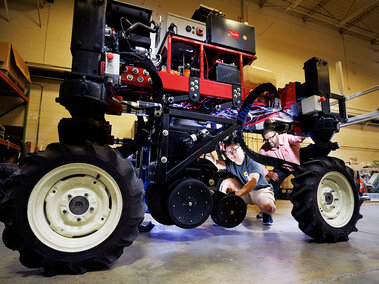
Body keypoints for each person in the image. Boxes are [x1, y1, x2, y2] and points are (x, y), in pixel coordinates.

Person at [206, 138, 276, 225]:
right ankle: (222, 210)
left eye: (234, 150)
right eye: (228, 152)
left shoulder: (252, 160)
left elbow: (253, 182)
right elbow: (217, 163)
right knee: (227, 182)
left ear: (241, 148)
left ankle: (266, 214)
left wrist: (236, 195)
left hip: (260, 190)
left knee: (269, 208)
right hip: (244, 191)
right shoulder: (231, 163)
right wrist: (208, 153)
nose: (231, 154)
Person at [259, 130, 305, 200]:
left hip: (297, 166)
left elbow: (297, 138)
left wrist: (305, 132)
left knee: (304, 184)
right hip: (281, 168)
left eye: (271, 138)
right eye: (266, 140)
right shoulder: (264, 149)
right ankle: (269, 207)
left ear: (277, 134)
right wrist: (269, 175)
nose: (269, 141)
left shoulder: (285, 138)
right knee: (273, 183)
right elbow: (259, 163)